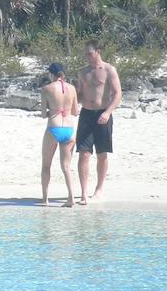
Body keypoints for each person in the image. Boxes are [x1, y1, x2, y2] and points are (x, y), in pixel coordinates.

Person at [75, 40, 121, 204]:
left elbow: (117, 94)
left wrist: (108, 112)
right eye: (86, 53)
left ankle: (99, 188)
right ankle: (83, 193)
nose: (87, 56)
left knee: (102, 154)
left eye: (90, 53)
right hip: (86, 114)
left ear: (98, 51)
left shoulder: (109, 70)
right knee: (84, 153)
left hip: (103, 114)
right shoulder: (83, 72)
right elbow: (79, 94)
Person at [39, 62, 79, 207]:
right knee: (66, 167)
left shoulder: (47, 89)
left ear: (51, 74)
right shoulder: (72, 88)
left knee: (46, 165)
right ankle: (71, 198)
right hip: (69, 128)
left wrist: (51, 110)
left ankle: (45, 199)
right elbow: (75, 111)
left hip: (54, 127)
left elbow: (44, 114)